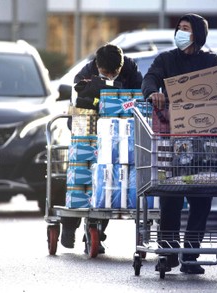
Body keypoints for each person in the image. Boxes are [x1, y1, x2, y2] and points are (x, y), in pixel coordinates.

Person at [141, 13, 217, 274]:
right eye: (178, 28)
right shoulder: (166, 59)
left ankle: (190, 256)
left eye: (185, 28)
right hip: (172, 140)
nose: (180, 32)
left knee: (200, 200)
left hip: (204, 143)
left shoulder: (212, 61)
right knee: (169, 199)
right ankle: (168, 254)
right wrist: (153, 93)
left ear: (198, 34)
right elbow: (150, 78)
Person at [60, 43, 143, 253]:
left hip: (117, 135)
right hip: (88, 129)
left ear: (120, 67)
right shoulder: (83, 76)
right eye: (106, 73)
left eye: (114, 73)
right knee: (80, 179)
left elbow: (140, 100)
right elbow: (76, 112)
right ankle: (69, 226)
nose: (110, 76)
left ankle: (98, 230)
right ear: (97, 66)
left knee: (108, 181)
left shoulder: (131, 72)